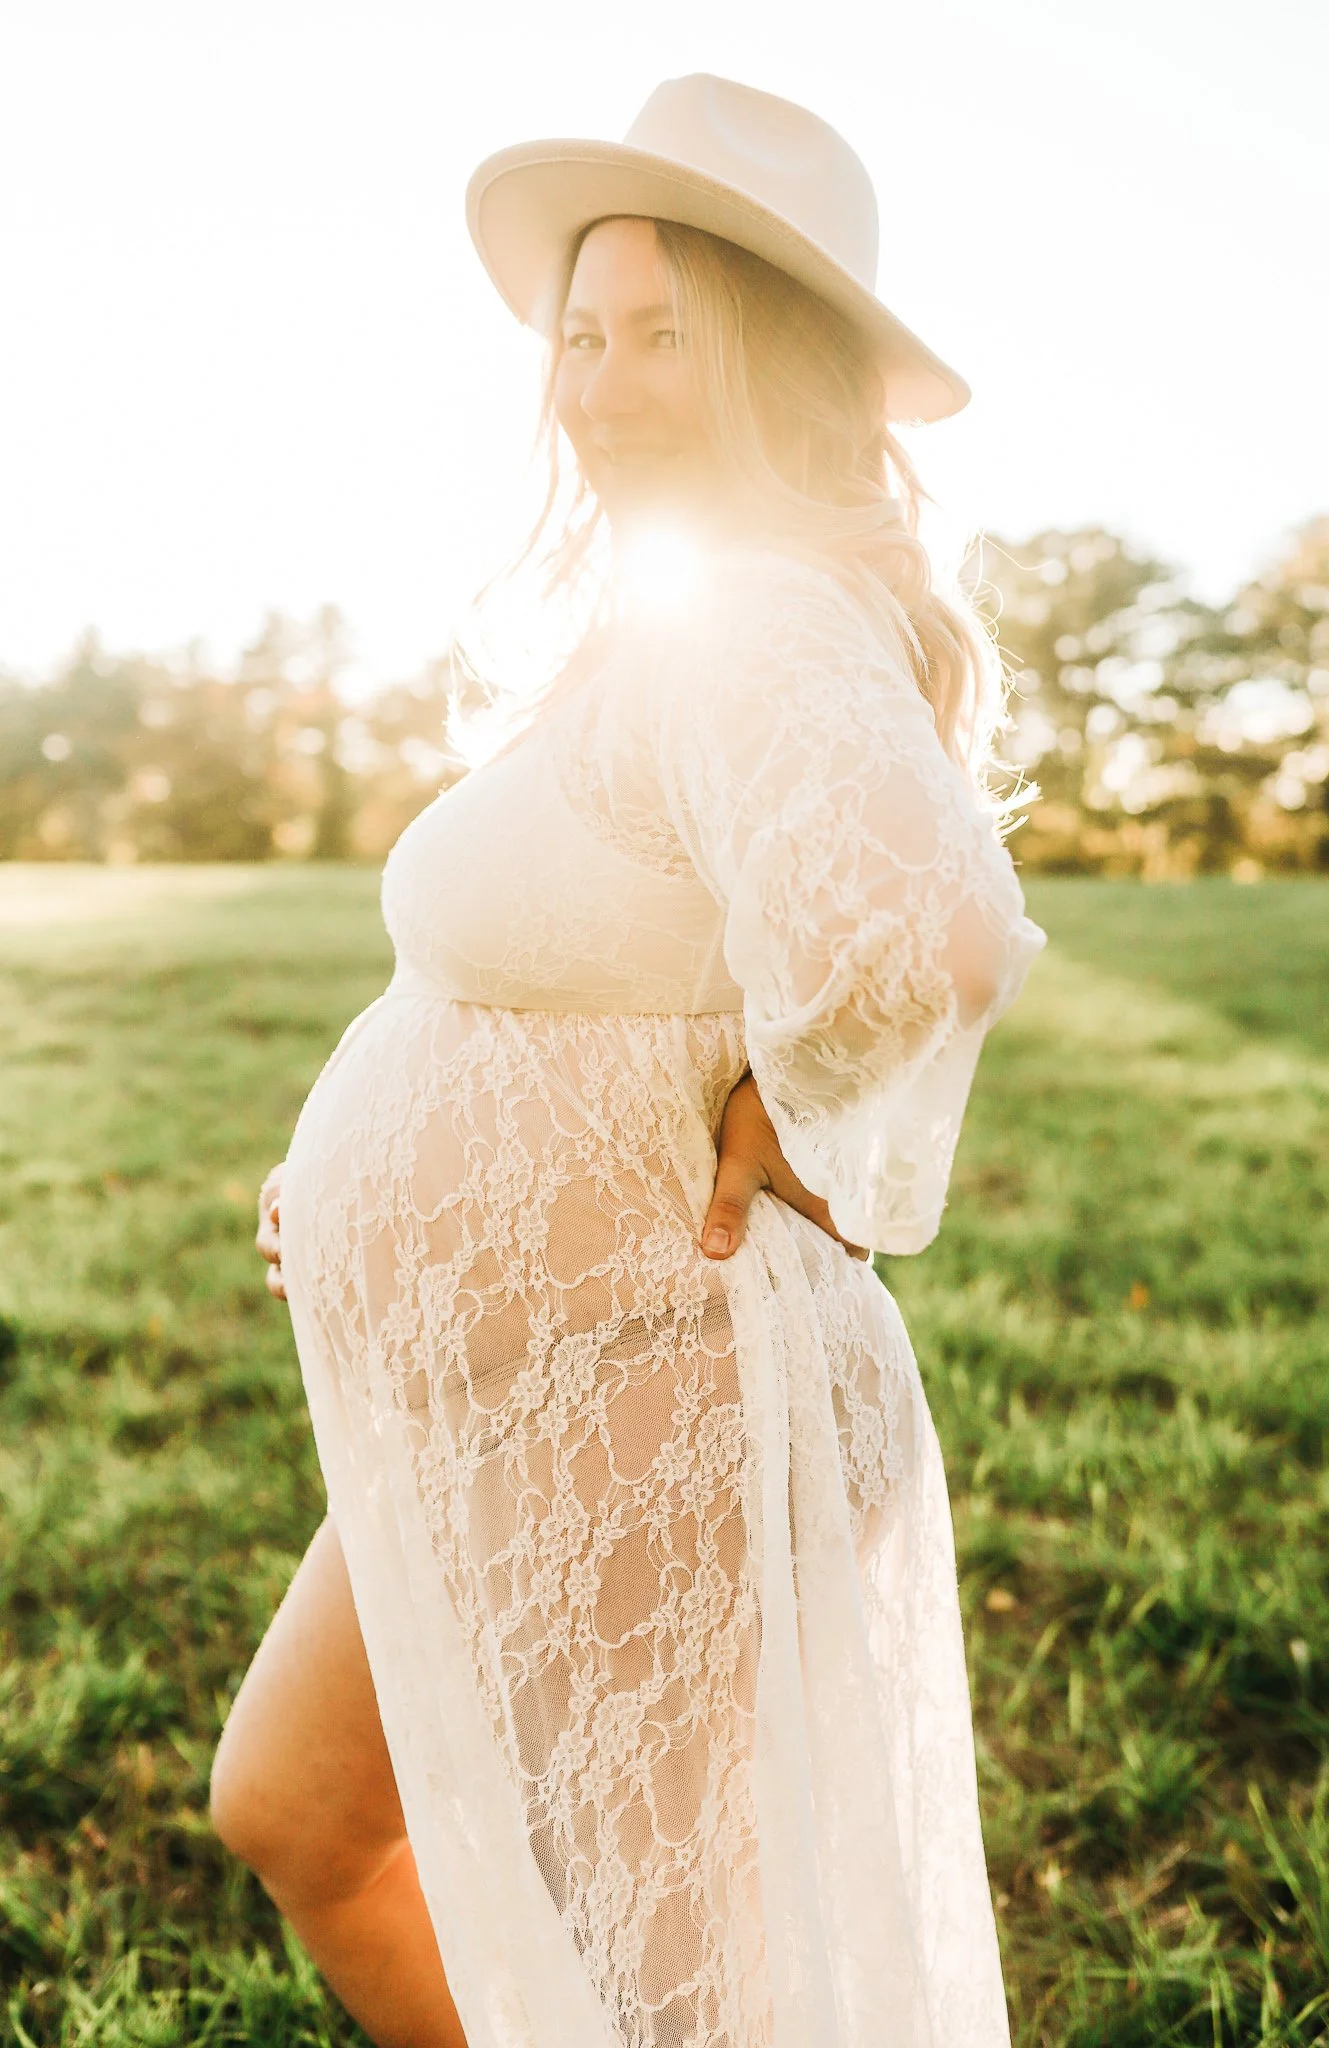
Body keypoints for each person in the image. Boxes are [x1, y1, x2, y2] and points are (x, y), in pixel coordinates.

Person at [210, 73, 1045, 2048]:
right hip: (507, 1388)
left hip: (648, 1392)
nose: (597, 379)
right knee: (304, 1811)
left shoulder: (756, 609)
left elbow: (920, 926)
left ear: (768, 349)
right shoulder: (663, 620)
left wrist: (800, 1092)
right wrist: (357, 1175)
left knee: (688, 1985)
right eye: (581, 332)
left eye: (659, 329)